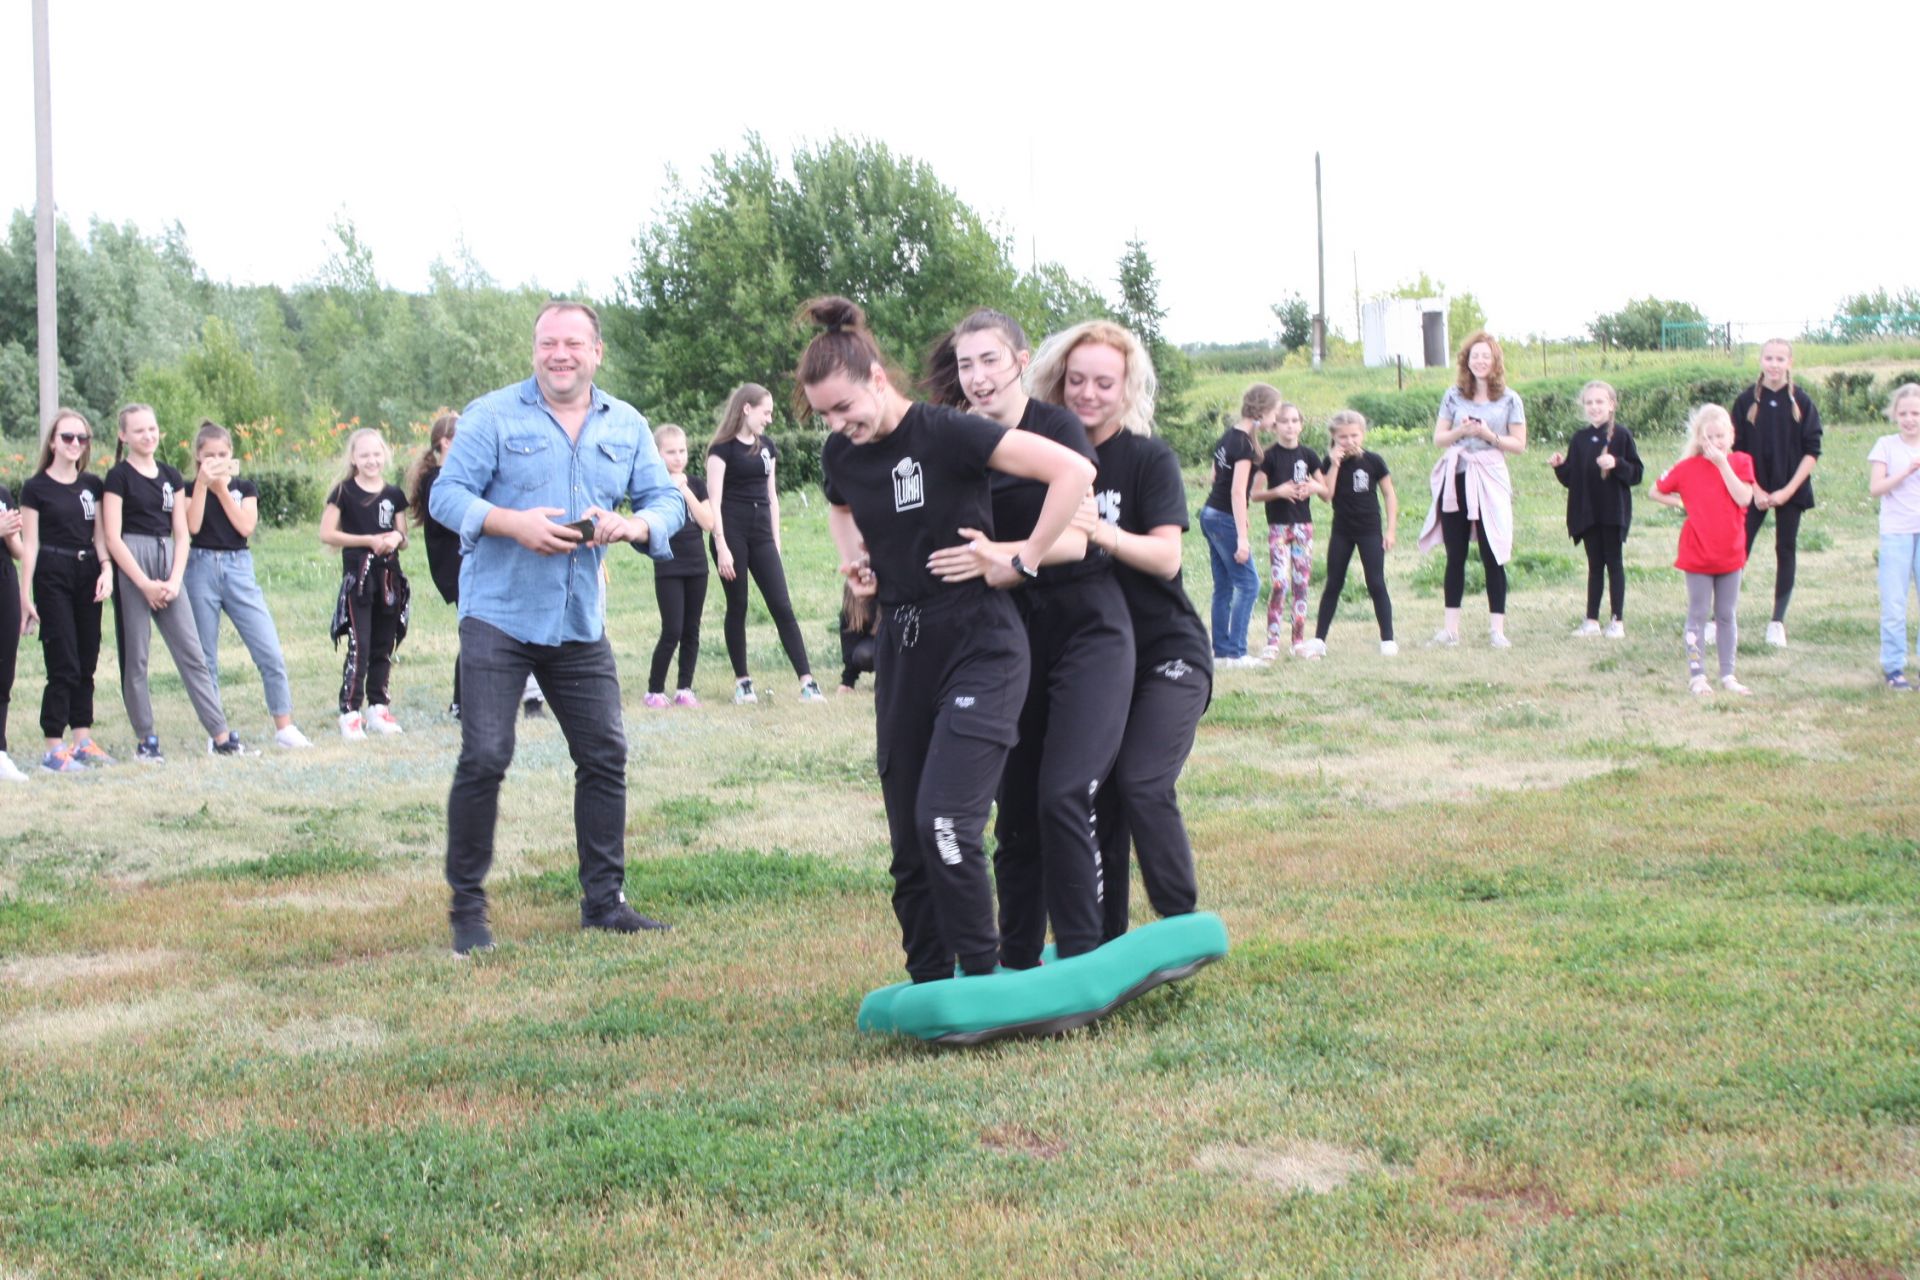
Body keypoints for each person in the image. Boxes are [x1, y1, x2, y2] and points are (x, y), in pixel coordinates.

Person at [802, 295, 1092, 985]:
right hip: (903, 651)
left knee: (945, 822)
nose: (838, 427)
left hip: (979, 643)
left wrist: (1018, 557)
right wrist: (857, 560)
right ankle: (930, 979)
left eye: (845, 408)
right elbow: (841, 500)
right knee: (908, 838)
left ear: (877, 378)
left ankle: (983, 977)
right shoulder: (845, 452)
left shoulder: (945, 432)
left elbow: (1072, 472)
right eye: (824, 417)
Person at [429, 299, 686, 955]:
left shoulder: (625, 424)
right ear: (535, 350)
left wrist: (635, 526)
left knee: (604, 756)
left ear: (597, 352)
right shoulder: (491, 414)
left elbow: (665, 503)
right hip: (498, 612)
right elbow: (445, 495)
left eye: (574, 343)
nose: (560, 354)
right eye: (548, 343)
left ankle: (604, 904)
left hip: (578, 621)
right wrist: (511, 523)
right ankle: (467, 911)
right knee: (486, 754)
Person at [923, 307, 1123, 969]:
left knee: (1063, 793)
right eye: (965, 364)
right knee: (1014, 818)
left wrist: (1005, 557)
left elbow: (1076, 535)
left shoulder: (1055, 429)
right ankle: (1016, 960)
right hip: (1009, 644)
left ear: (1018, 359)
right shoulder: (958, 439)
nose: (977, 377)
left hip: (1086, 629)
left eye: (989, 360)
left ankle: (1083, 955)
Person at [1029, 319, 1210, 943]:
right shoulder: (1042, 460)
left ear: (1128, 388)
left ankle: (1181, 922)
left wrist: (1097, 529)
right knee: (1090, 794)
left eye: (1104, 382)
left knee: (1140, 780)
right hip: (1092, 659)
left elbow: (1167, 558)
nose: (1087, 393)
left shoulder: (1146, 458)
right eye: (1075, 379)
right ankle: (1101, 945)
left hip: (1166, 654)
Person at [102, 404, 253, 761]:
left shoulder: (170, 475)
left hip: (169, 559)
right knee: (136, 657)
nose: (148, 436)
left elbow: (183, 534)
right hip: (133, 562)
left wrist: (173, 579)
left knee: (193, 654)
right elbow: (112, 536)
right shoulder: (118, 477)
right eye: (139, 430)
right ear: (124, 435)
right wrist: (143, 583)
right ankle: (146, 740)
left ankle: (220, 735)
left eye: (152, 429)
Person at [183, 420, 312, 748]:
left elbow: (245, 526)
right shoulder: (187, 488)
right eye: (208, 455)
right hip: (198, 567)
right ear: (198, 457)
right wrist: (201, 485)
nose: (215, 460)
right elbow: (192, 525)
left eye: (222, 453)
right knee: (205, 657)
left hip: (238, 567)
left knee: (268, 649)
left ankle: (284, 726)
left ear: (231, 454)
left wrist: (222, 489)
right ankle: (217, 733)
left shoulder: (245, 487)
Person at [412, 413, 544, 722]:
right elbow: (454, 519)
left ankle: (474, 702)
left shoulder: (462, 478)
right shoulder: (439, 481)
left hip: (473, 562)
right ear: (446, 442)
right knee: (478, 633)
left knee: (480, 632)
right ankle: (463, 704)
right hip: (459, 566)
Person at [706, 383, 823, 704]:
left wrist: (776, 539)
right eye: (766, 412)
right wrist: (722, 545)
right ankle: (743, 682)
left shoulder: (768, 447)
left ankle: (808, 682)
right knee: (738, 606)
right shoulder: (721, 449)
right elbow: (713, 502)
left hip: (762, 535)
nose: (770, 419)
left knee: (782, 606)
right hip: (731, 533)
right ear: (746, 408)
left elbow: (771, 496)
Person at [17, 409, 114, 772]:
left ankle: (82, 740)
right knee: (63, 661)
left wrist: (106, 570)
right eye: (68, 437)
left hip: (88, 570)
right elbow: (30, 545)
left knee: (87, 659)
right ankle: (53, 747)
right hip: (52, 572)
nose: (75, 444)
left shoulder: (93, 485)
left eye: (82, 438)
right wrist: (25, 596)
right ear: (53, 442)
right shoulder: (35, 487)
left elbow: (101, 537)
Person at [1428, 331, 1525, 648]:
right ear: (1466, 362)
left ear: (1495, 361)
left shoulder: (1510, 398)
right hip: (1456, 475)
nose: (1480, 361)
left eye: (1486, 356)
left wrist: (1487, 434)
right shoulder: (1453, 396)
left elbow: (1518, 444)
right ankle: (1450, 630)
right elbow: (1439, 438)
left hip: (1489, 476)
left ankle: (1498, 629)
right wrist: (1461, 430)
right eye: (1475, 356)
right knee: (1455, 554)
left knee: (1492, 553)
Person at [1650, 404, 1755, 696]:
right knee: (1697, 613)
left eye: (1721, 436)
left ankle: (1728, 674)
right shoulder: (1686, 469)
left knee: (1726, 614)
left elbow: (1744, 497)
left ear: (1731, 435)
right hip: (1697, 553)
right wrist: (1680, 503)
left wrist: (1723, 464)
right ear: (1699, 438)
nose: (1715, 443)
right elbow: (1655, 490)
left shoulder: (1741, 462)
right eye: (1709, 437)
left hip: (1731, 552)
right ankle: (1697, 674)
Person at [1731, 338, 1821, 647]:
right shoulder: (1745, 402)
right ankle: (1721, 618)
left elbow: (1812, 452)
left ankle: (1777, 622)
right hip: (1751, 488)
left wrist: (1786, 491)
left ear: (1789, 363)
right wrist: (1754, 488)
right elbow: (1736, 451)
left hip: (1790, 488)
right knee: (1737, 549)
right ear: (1760, 361)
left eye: (1780, 359)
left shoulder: (1802, 402)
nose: (1774, 364)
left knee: (1786, 549)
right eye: (1768, 358)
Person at [322, 428, 410, 740]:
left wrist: (394, 538)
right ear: (353, 459)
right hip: (358, 579)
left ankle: (378, 706)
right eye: (364, 455)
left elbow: (403, 537)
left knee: (384, 645)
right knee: (360, 644)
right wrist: (368, 540)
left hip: (388, 579)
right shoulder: (343, 492)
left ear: (384, 455)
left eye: (376, 454)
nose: (371, 460)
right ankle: (350, 711)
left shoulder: (394, 494)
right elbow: (327, 533)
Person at [1549, 381, 1643, 637]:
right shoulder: (1580, 439)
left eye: (1600, 402)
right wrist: (1559, 466)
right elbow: (1571, 479)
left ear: (1611, 405)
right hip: (1587, 512)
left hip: (1613, 512)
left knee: (1614, 562)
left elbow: (1636, 473)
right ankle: (1591, 620)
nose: (1594, 407)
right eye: (1589, 402)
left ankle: (1617, 621)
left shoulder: (1621, 436)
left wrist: (1617, 463)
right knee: (1594, 565)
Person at [1304, 411, 1398, 658]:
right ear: (1334, 438)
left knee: (1376, 582)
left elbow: (1389, 494)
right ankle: (1319, 639)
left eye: (1354, 435)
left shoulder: (1374, 461)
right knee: (1333, 582)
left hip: (1369, 530)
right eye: (1342, 437)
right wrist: (1334, 463)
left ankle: (1388, 639)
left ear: (1362, 434)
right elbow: (1327, 495)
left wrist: (1390, 530)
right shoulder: (1328, 462)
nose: (1349, 441)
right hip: (1342, 530)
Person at [1199, 385, 1274, 666]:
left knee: (1224, 585)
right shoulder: (1243, 444)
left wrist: (1240, 517)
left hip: (1210, 513)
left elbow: (1215, 476)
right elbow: (1237, 491)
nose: (1275, 420)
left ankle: (1221, 652)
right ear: (1262, 411)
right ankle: (1238, 652)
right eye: (1274, 413)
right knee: (1249, 583)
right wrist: (1242, 537)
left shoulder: (1229, 436)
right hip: (1223, 517)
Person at [643, 423, 715, 708]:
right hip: (669, 566)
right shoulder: (653, 487)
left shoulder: (696, 484)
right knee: (672, 628)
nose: (677, 457)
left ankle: (684, 687)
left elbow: (708, 522)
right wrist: (671, 489)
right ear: (658, 454)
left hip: (697, 565)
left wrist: (684, 490)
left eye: (682, 451)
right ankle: (654, 689)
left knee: (691, 629)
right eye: (670, 452)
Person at [1248, 401, 1321, 660]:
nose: (1289, 426)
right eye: (1284, 421)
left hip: (1303, 528)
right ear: (1275, 426)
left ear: (1301, 425)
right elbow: (1255, 494)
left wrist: (1313, 486)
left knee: (1301, 583)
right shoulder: (1267, 457)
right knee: (1280, 583)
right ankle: (1272, 642)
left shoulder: (1309, 456)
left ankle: (1298, 641)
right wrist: (1278, 492)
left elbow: (1326, 492)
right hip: (1278, 528)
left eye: (1294, 421)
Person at [1868, 383, 1920, 689]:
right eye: (1904, 413)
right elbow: (1876, 489)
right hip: (1896, 533)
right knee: (1894, 604)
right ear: (1894, 415)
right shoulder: (1886, 445)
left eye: (1915, 413)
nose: (1910, 419)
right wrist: (1907, 472)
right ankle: (1894, 668)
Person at [0, 478, 25, 781]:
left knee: (4, 669)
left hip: (4, 579)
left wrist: (14, 535)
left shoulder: (3, 493)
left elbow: (17, 550)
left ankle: (0, 752)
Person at [836, 580, 877, 693]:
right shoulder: (850, 611)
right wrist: (847, 681)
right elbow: (850, 647)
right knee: (863, 655)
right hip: (874, 644)